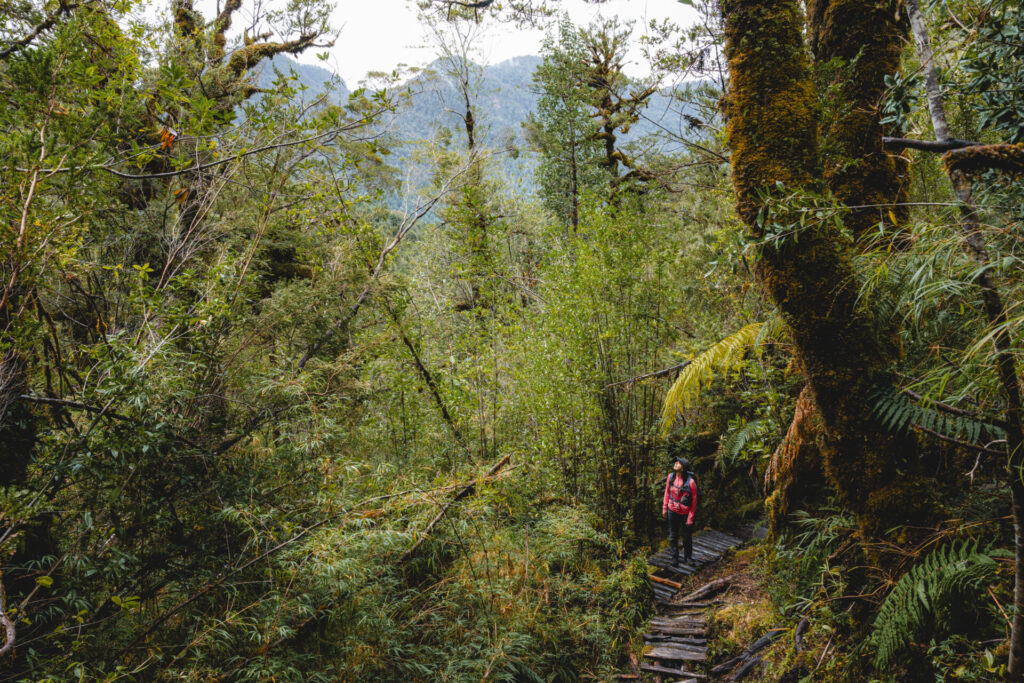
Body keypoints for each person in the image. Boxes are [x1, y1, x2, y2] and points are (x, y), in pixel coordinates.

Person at [662, 456, 698, 566]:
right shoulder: (671, 477)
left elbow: (694, 501)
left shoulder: (691, 482)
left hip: (685, 513)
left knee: (686, 537)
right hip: (672, 510)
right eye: (676, 462)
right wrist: (664, 508)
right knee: (673, 535)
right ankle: (674, 558)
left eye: (679, 463)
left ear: (683, 468)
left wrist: (690, 517)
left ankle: (688, 558)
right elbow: (667, 493)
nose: (676, 463)